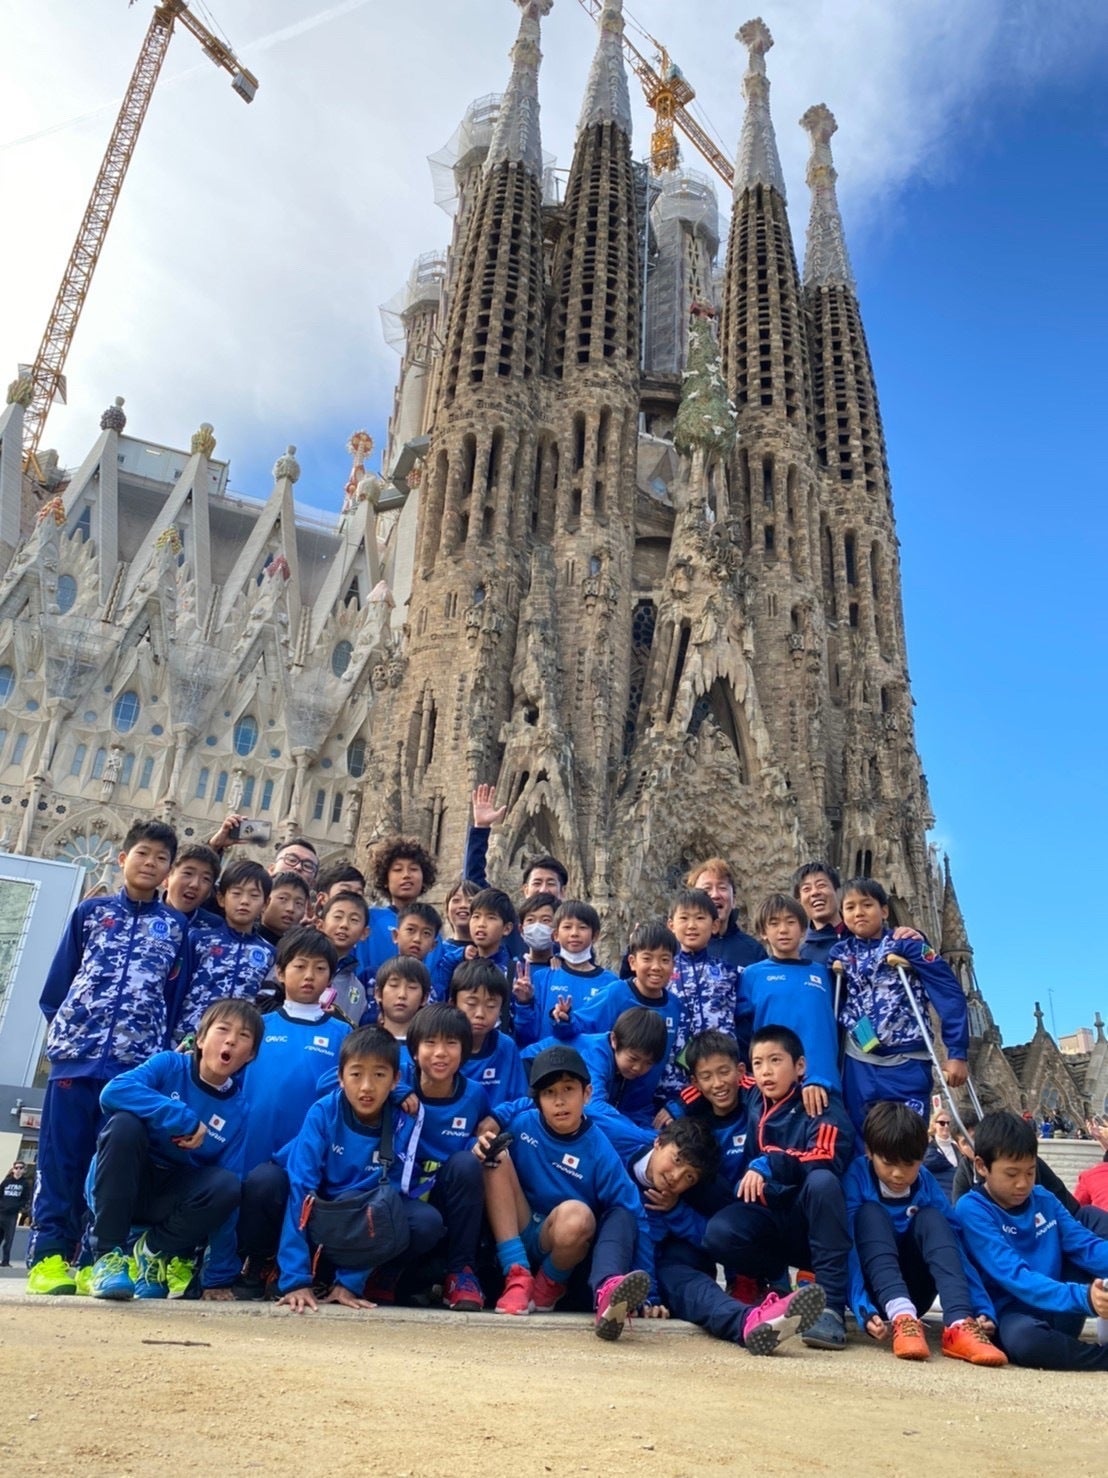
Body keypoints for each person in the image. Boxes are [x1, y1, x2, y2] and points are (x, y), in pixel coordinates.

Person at [28, 819, 187, 1295]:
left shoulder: (174, 927)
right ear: (123, 859)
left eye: (161, 858)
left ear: (168, 871)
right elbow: (58, 985)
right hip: (75, 1061)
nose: (150, 863)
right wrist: (70, 1031)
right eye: (142, 853)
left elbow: (174, 999)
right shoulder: (91, 913)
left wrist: (151, 1049)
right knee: (61, 1160)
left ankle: (95, 1260)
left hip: (131, 1072)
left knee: (109, 1169)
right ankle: (49, 1258)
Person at [85, 998, 263, 1301]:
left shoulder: (239, 1109)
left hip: (169, 1197)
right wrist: (180, 1117)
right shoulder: (169, 1065)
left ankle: (152, 1251)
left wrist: (218, 1277)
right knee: (124, 1124)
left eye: (243, 1035)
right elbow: (113, 1092)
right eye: (223, 1029)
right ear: (201, 1039)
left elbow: (229, 1194)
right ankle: (108, 1257)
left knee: (227, 1185)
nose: (231, 1040)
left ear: (251, 1054)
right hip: (121, 1185)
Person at [481, 1044, 650, 1339]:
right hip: (519, 1221)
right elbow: (491, 1125)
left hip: (559, 1239)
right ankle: (517, 1275)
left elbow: (633, 1213)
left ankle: (548, 1285)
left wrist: (653, 1291)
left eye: (568, 1089)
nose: (559, 1101)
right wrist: (482, 1142)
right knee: (495, 1156)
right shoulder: (521, 1124)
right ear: (538, 1100)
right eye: (549, 1093)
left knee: (579, 1215)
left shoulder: (599, 1148)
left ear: (587, 1094)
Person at [703, 1025, 854, 1351]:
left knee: (823, 1182)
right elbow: (721, 1079)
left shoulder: (820, 1103)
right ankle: (774, 1283)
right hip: (771, 1211)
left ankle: (831, 1306)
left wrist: (770, 1161)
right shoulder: (755, 1094)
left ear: (799, 1066)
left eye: (775, 1060)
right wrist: (675, 1107)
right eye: (758, 1063)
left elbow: (825, 1158)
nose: (766, 1071)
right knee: (719, 1232)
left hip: (809, 1219)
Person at [274, 1027, 440, 1313]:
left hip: (367, 1213)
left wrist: (350, 1282)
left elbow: (386, 1203)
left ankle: (367, 1278)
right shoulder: (322, 1112)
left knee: (425, 1222)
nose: (366, 1087)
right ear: (340, 1077)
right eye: (356, 1074)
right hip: (325, 1210)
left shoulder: (404, 1120)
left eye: (379, 1075)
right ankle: (290, 1270)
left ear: (395, 1080)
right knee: (268, 1183)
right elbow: (302, 1191)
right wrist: (295, 1280)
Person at [639, 1118, 829, 1355]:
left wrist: (677, 1211)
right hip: (624, 1264)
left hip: (671, 1265)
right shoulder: (622, 1155)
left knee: (695, 1290)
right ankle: (611, 1296)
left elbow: (707, 1237)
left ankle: (752, 1321)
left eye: (689, 1177)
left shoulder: (696, 1191)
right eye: (676, 1160)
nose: (676, 1176)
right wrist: (650, 1295)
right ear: (657, 1143)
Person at [234, 926, 351, 1294]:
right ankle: (255, 1261)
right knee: (259, 1188)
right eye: (300, 966)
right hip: (255, 1148)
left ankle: (300, 1269)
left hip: (311, 1154)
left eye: (319, 968)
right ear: (281, 972)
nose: (309, 976)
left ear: (330, 977)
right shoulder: (257, 1026)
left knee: (302, 1200)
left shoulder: (342, 1034)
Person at [844, 1102, 1005, 1365]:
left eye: (909, 1164)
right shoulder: (857, 1177)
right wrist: (862, 1306)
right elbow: (847, 1246)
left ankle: (959, 1322)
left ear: (922, 1157)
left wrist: (981, 1307)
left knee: (933, 1218)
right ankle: (902, 1317)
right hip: (877, 1294)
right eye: (889, 1163)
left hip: (917, 1288)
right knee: (870, 1213)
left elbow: (954, 1246)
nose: (898, 1174)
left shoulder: (926, 1182)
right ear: (870, 1152)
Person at [953, 1111, 1108, 1370]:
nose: (1022, 1184)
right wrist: (1085, 1298)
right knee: (1025, 1341)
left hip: (1061, 1308)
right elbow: (1015, 1276)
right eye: (1011, 1174)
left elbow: (1085, 1245)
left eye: (1030, 1172)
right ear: (981, 1166)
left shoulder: (1043, 1198)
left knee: (1089, 1248)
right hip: (1013, 1313)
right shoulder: (972, 1209)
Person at [828, 878, 968, 1133]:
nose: (858, 912)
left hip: (907, 1061)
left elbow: (947, 992)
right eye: (850, 907)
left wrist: (957, 1052)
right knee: (861, 1136)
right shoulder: (840, 953)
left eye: (867, 905)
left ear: (884, 911)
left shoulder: (907, 944)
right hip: (860, 1059)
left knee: (907, 1136)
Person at [404, 1004, 495, 1310]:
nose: (440, 1053)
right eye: (430, 1043)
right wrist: (394, 1091)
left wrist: (489, 1127)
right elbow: (337, 1082)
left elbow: (501, 1116)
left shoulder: (474, 1094)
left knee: (466, 1163)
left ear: (465, 1051)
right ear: (414, 1051)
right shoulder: (397, 1081)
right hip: (402, 1201)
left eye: (451, 1043)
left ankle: (461, 1273)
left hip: (447, 1201)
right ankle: (386, 1272)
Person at [737, 893, 840, 1110]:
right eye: (774, 924)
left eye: (790, 922)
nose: (783, 930)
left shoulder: (823, 973)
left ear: (803, 929)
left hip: (823, 1082)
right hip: (774, 1088)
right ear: (763, 932)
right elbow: (743, 1034)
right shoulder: (752, 976)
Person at [172, 859, 274, 1043]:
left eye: (254, 895)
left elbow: (265, 1004)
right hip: (189, 1039)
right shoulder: (199, 939)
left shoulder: (268, 953)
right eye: (236, 893)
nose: (244, 901)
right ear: (221, 898)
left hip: (237, 1044)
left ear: (265, 903)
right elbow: (177, 990)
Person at [658, 888, 741, 1104]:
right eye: (684, 918)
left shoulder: (728, 972)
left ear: (714, 925)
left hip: (719, 1079)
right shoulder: (662, 970)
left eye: (700, 918)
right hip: (671, 1082)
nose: (692, 925)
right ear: (671, 925)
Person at [531, 902, 617, 1044]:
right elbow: (529, 1030)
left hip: (591, 1057)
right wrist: (523, 1003)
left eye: (582, 927)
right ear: (556, 935)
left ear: (595, 935)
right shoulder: (542, 977)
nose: (574, 933)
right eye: (567, 927)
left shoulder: (610, 982)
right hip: (547, 1056)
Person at [356, 835, 438, 979]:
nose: (406, 875)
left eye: (413, 869)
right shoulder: (369, 919)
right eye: (398, 869)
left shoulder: (432, 925)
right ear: (385, 879)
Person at [450, 960, 528, 1107]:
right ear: (453, 1004)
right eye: (471, 1004)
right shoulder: (441, 1047)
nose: (480, 1014)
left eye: (491, 1006)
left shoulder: (506, 1047)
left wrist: (498, 1117)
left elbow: (521, 1101)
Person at [430, 888, 515, 1003]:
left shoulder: (511, 970)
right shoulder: (457, 962)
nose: (481, 924)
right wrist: (458, 956)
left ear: (507, 928)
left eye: (491, 917)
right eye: (476, 916)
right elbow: (437, 994)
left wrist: (523, 1002)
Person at [686, 857, 764, 970]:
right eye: (707, 889)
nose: (715, 895)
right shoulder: (675, 949)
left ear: (734, 900)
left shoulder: (754, 952)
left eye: (722, 888)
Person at [317, 891, 373, 1026]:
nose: (344, 925)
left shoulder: (357, 989)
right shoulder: (300, 966)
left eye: (354, 920)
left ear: (364, 933)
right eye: (338, 917)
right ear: (320, 925)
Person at [791, 861, 846, 967]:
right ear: (799, 902)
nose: (815, 892)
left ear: (837, 891)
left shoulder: (862, 936)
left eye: (821, 885)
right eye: (807, 889)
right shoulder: (802, 957)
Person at [163, 844, 221, 924]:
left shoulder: (216, 927)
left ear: (209, 892)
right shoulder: (146, 914)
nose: (195, 884)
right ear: (166, 878)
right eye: (188, 873)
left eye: (206, 878)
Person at [258, 870, 310, 948]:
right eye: (283, 898)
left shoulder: (297, 949)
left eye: (299, 903)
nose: (291, 909)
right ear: (264, 901)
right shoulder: (245, 936)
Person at [922, 1109, 963, 1199]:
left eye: (949, 1123)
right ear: (934, 1125)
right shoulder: (927, 1148)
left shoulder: (958, 1147)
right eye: (942, 1123)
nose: (946, 1126)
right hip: (939, 1196)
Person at [0, 1162, 31, 1266]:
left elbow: (25, 1199)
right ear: (13, 1169)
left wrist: (16, 1207)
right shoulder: (6, 1182)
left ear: (24, 1170)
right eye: (16, 1168)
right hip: (1, 1213)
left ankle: (5, 1261)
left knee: (9, 1239)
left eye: (20, 1168)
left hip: (12, 1215)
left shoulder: (25, 1184)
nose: (18, 1170)